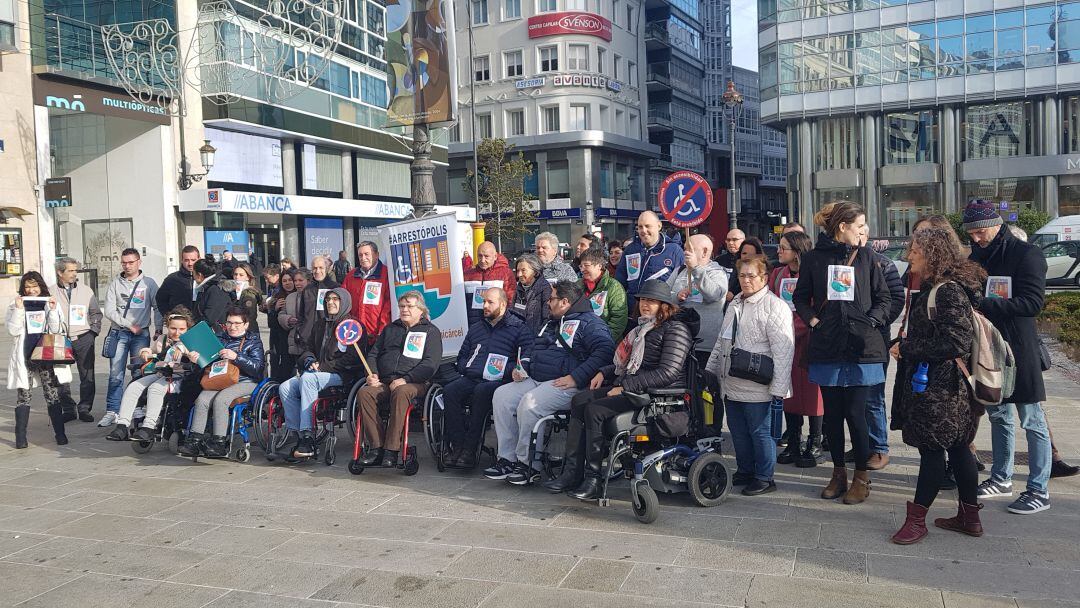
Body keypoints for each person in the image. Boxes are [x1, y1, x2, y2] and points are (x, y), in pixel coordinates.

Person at [545, 281, 691, 498]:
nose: (645, 304)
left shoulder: (676, 330)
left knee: (595, 410)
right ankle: (571, 473)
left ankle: (593, 478)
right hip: (633, 387)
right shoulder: (640, 329)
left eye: (651, 301)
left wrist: (624, 386)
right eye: (642, 300)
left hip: (655, 395)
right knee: (580, 400)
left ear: (664, 305)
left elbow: (667, 373)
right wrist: (605, 372)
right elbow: (624, 363)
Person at [888, 226, 986, 544]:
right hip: (947, 387)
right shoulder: (939, 287)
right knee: (959, 450)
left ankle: (916, 522)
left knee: (933, 452)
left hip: (940, 390)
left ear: (932, 255)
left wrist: (907, 348)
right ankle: (969, 518)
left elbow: (956, 340)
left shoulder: (946, 291)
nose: (908, 256)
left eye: (914, 251)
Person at [792, 202, 891, 505]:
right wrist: (813, 320)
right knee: (832, 417)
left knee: (855, 414)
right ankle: (838, 474)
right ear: (842, 227)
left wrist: (871, 321)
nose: (864, 230)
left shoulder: (869, 257)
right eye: (859, 225)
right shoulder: (813, 259)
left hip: (863, 349)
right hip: (828, 347)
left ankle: (862, 477)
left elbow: (885, 298)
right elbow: (800, 296)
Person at [964, 200, 1053, 514]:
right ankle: (1001, 477)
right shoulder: (976, 256)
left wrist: (984, 304)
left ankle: (1039, 489)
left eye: (979, 231)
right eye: (970, 233)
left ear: (995, 223)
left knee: (1032, 419)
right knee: (998, 414)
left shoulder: (1027, 254)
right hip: (988, 346)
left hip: (1020, 348)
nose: (975, 238)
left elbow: (1032, 303)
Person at [487, 281, 615, 485]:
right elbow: (532, 348)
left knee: (530, 403)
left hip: (567, 384)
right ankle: (507, 459)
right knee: (502, 396)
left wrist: (577, 377)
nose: (548, 302)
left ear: (565, 302)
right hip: (537, 378)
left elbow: (605, 351)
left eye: (552, 299)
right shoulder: (550, 322)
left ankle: (527, 464)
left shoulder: (590, 322)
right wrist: (523, 367)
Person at [708, 256, 794, 495]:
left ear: (764, 278)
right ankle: (745, 470)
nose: (746, 280)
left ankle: (765, 477)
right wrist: (711, 369)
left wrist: (779, 388)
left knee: (760, 432)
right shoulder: (735, 302)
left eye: (751, 276)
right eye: (742, 276)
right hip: (732, 381)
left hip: (758, 385)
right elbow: (722, 339)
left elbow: (784, 351)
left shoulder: (775, 306)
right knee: (738, 432)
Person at [442, 287, 533, 468]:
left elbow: (527, 356)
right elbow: (462, 356)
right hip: (472, 376)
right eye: (483, 301)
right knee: (450, 390)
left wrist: (510, 370)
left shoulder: (518, 328)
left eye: (490, 302)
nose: (485, 306)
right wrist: (466, 367)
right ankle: (458, 445)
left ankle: (469, 448)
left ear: (503, 304)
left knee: (481, 391)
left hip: (499, 380)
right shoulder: (476, 328)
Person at [356, 290, 443, 467]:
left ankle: (392, 450)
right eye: (402, 306)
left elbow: (430, 364)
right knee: (365, 393)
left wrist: (406, 378)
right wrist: (372, 374)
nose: (404, 309)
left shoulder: (431, 332)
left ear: (421, 310)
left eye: (409, 306)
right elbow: (373, 354)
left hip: (415, 383)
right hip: (385, 381)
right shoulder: (390, 329)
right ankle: (376, 447)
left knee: (402, 392)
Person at [278, 288, 365, 460]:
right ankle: (299, 436)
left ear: (344, 302)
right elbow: (306, 348)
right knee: (285, 387)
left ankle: (309, 436)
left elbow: (353, 358)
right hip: (316, 373)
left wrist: (323, 367)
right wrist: (309, 360)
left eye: (335, 299)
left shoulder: (353, 325)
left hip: (341, 375)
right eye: (328, 299)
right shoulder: (320, 324)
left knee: (308, 379)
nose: (331, 302)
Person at [770, 231, 824, 467]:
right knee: (788, 393)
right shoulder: (777, 274)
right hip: (784, 341)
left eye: (784, 248)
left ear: (797, 251)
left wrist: (797, 328)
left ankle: (815, 442)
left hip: (808, 341)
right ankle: (793, 441)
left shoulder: (812, 273)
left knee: (814, 395)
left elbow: (815, 306)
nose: (779, 251)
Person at [180, 307, 265, 458]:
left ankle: (219, 443)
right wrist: (195, 360)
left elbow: (258, 368)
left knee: (221, 399)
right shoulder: (219, 339)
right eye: (229, 323)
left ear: (246, 324)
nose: (233, 327)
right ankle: (194, 441)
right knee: (202, 399)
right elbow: (205, 365)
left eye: (237, 323)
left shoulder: (254, 341)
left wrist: (236, 357)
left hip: (245, 381)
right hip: (220, 379)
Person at [106, 306, 196, 442]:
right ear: (168, 326)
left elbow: (197, 359)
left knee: (155, 388)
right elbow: (152, 350)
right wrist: (145, 351)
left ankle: (149, 427)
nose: (177, 332)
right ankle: (122, 425)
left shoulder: (191, 341)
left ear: (188, 329)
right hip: (162, 373)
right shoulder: (163, 339)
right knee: (133, 386)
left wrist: (185, 351)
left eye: (181, 329)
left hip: (180, 377)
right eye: (173, 328)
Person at [857, 231, 906, 471]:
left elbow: (896, 299)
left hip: (875, 337)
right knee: (855, 398)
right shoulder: (838, 263)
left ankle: (879, 448)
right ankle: (862, 444)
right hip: (846, 340)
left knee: (873, 396)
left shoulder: (882, 263)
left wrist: (876, 321)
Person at [100, 248, 161, 427]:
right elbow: (109, 311)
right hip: (119, 333)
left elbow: (157, 307)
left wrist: (158, 328)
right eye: (124, 262)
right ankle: (112, 411)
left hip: (141, 335)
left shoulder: (149, 283)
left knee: (139, 371)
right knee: (115, 374)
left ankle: (137, 408)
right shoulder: (115, 284)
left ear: (139, 262)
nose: (127, 266)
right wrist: (128, 325)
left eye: (131, 262)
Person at [6, 272, 68, 447]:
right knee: (24, 396)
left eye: (34, 286)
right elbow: (12, 330)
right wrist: (19, 309)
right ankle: (21, 438)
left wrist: (54, 310)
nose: (31, 290)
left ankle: (60, 434)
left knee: (52, 394)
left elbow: (56, 329)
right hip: (24, 355)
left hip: (45, 355)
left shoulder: (49, 303)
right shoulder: (15, 304)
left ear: (40, 286)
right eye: (27, 287)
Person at [54, 257, 102, 422]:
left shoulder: (86, 290)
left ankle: (84, 409)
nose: (75, 273)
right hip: (60, 340)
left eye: (76, 270)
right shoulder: (50, 292)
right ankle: (68, 409)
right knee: (61, 377)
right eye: (71, 270)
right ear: (60, 272)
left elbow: (95, 313)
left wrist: (93, 332)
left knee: (87, 376)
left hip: (83, 338)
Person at [667, 234, 729, 363]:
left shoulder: (717, 272)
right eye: (684, 248)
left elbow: (714, 294)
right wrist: (677, 296)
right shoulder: (680, 271)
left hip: (705, 345)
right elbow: (664, 295)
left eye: (690, 249)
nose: (685, 252)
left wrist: (696, 269)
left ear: (705, 252)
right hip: (678, 341)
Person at [616, 211, 684, 312]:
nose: (643, 230)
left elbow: (680, 284)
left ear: (659, 226)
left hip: (660, 315)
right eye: (640, 227)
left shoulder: (674, 251)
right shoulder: (630, 250)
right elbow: (619, 283)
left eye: (648, 226)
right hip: (631, 313)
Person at [342, 241, 392, 349]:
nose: (363, 258)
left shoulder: (387, 274)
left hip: (377, 336)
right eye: (360, 255)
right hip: (355, 335)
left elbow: (388, 306)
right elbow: (344, 304)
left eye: (366, 254)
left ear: (376, 255)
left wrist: (382, 332)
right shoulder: (351, 276)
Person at [463, 241, 517, 327]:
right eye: (480, 256)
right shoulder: (467, 275)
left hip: (497, 327)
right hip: (472, 327)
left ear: (495, 256)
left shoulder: (506, 273)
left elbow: (511, 301)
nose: (482, 260)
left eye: (486, 256)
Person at [577, 249, 628, 342]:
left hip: (604, 341)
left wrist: (603, 341)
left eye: (587, 265)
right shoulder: (577, 285)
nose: (582, 269)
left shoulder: (613, 287)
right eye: (581, 266)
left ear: (599, 266)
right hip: (580, 341)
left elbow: (619, 319)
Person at [296, 256, 340, 353]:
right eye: (315, 268)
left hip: (327, 339)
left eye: (321, 268)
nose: (317, 271)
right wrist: (301, 331)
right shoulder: (307, 289)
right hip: (307, 339)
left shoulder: (335, 288)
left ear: (327, 269)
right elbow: (301, 314)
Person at [509, 254, 551, 333]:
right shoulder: (519, 289)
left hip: (535, 339)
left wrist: (538, 338)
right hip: (518, 336)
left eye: (523, 270)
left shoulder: (545, 289)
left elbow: (547, 319)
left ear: (535, 272)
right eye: (518, 271)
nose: (519, 275)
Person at [279, 268, 311, 371]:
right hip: (294, 341)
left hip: (309, 343)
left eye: (300, 280)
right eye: (295, 281)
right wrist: (287, 320)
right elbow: (281, 314)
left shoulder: (314, 296)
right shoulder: (290, 297)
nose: (297, 283)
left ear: (308, 281)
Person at [266, 268, 296, 381]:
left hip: (295, 339)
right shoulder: (277, 297)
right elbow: (271, 324)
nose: (287, 283)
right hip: (279, 340)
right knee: (280, 370)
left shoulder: (300, 296)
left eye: (290, 280)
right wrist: (274, 309)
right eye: (284, 281)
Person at [157, 245, 200, 318]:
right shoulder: (172, 279)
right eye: (186, 260)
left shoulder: (205, 278)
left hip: (201, 324)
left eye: (193, 260)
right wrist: (169, 317)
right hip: (179, 325)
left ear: (199, 259)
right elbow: (160, 300)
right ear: (181, 260)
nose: (190, 264)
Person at [193, 259, 233, 331]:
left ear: (199, 275)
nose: (193, 277)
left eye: (193, 274)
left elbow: (210, 318)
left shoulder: (216, 289)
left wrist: (192, 328)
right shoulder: (207, 287)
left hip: (218, 335)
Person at [726, 237, 766, 302]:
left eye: (751, 254)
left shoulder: (764, 272)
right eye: (744, 253)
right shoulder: (735, 270)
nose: (747, 257)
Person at [232, 263, 266, 333]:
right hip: (235, 328)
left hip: (248, 330)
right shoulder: (231, 291)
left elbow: (250, 315)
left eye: (241, 275)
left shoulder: (250, 292)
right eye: (235, 274)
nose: (237, 277)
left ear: (248, 277)